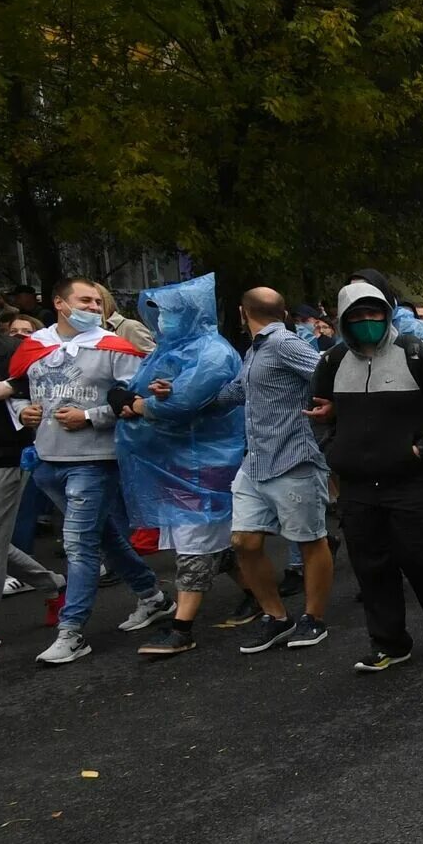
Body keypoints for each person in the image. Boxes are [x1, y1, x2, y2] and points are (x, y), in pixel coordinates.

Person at [309, 280, 423, 672]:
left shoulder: (417, 355)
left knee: (420, 558)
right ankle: (390, 643)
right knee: (371, 566)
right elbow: (318, 411)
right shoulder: (331, 362)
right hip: (359, 486)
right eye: (358, 315)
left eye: (374, 313)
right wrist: (333, 448)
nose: (367, 322)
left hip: (412, 482)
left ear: (387, 313)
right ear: (343, 320)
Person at [10, 277, 170, 665]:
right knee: (105, 536)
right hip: (47, 462)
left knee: (80, 545)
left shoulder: (115, 347)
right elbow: (16, 392)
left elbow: (139, 399)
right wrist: (22, 414)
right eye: (86, 300)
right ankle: (153, 596)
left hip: (95, 462)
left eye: (98, 302)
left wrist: (91, 416)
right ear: (60, 304)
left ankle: (72, 632)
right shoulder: (35, 346)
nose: (95, 308)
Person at [116, 274, 248, 657]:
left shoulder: (213, 352)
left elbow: (180, 404)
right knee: (213, 543)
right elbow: (140, 389)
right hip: (175, 461)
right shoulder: (167, 349)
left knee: (194, 542)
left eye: (171, 314)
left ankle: (182, 627)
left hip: (204, 463)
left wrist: (142, 405)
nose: (163, 321)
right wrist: (142, 398)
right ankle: (258, 597)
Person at [214, 287, 335, 654]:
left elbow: (323, 373)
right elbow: (236, 392)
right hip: (256, 461)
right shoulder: (255, 350)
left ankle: (313, 619)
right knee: (243, 543)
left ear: (241, 312)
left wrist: (329, 405)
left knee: (310, 539)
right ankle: (277, 617)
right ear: (282, 311)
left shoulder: (284, 342)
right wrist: (178, 394)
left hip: (293, 457)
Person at [0, 313, 63, 650]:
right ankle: (54, 584)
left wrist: (9, 388)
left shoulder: (8, 348)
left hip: (1, 455)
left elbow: (44, 378)